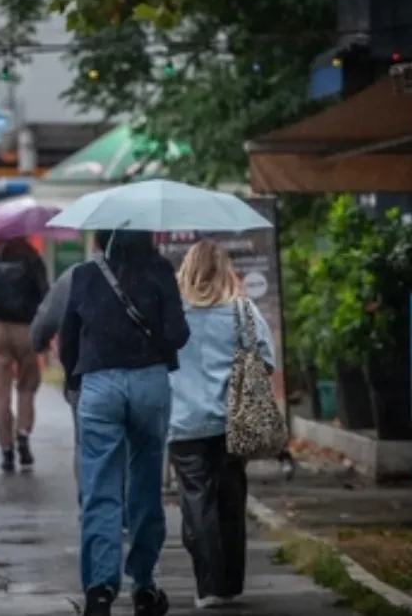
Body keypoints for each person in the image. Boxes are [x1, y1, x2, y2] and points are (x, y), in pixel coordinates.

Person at [59, 229, 189, 616]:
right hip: (150, 383)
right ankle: (145, 586)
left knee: (100, 488)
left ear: (103, 240)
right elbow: (178, 334)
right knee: (146, 485)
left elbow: (68, 340)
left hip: (99, 386)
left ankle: (100, 590)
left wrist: (74, 379)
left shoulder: (84, 275)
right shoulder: (160, 271)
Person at [168, 240, 274, 609]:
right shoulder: (242, 310)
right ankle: (229, 584)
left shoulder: (172, 313)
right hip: (233, 422)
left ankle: (209, 585)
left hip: (183, 424)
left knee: (197, 503)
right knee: (231, 500)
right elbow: (267, 360)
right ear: (225, 269)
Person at [0, 237, 48, 472]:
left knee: (0, 389)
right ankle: (22, 434)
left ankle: (6, 449)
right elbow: (44, 296)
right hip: (26, 329)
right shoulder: (32, 259)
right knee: (27, 387)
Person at [29, 262, 81, 498]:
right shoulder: (157, 271)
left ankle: (96, 515)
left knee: (89, 446)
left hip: (87, 375)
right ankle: (135, 516)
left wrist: (39, 342)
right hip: (146, 376)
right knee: (139, 450)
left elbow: (46, 318)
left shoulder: (75, 276)